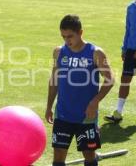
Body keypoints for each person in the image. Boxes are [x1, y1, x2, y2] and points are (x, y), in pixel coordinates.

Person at [45, 15, 114, 166]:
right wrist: (49, 106)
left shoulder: (96, 53)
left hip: (86, 116)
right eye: (63, 37)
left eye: (70, 36)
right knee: (58, 157)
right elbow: (54, 81)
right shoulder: (58, 52)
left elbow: (110, 79)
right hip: (63, 114)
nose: (67, 41)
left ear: (80, 32)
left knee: (89, 155)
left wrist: (95, 102)